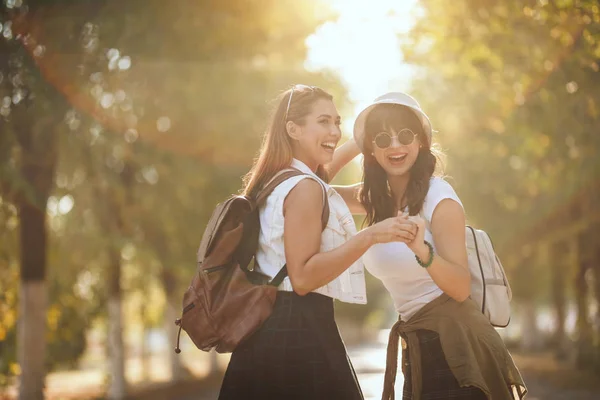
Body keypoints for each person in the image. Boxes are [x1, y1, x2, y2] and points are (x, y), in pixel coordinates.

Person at [218, 85, 419, 400]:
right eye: (324, 121)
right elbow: (303, 277)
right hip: (299, 328)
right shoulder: (304, 189)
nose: (334, 131)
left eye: (337, 122)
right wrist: (371, 235)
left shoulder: (279, 178)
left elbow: (324, 176)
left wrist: (359, 140)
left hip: (269, 332)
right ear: (293, 129)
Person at [329, 92, 527, 399]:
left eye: (405, 135)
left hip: (455, 341)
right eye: (383, 139)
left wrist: (422, 249)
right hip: (419, 340)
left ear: (421, 141)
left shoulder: (439, 197)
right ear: (372, 149)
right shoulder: (375, 198)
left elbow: (460, 287)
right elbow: (314, 186)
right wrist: (359, 139)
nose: (395, 145)